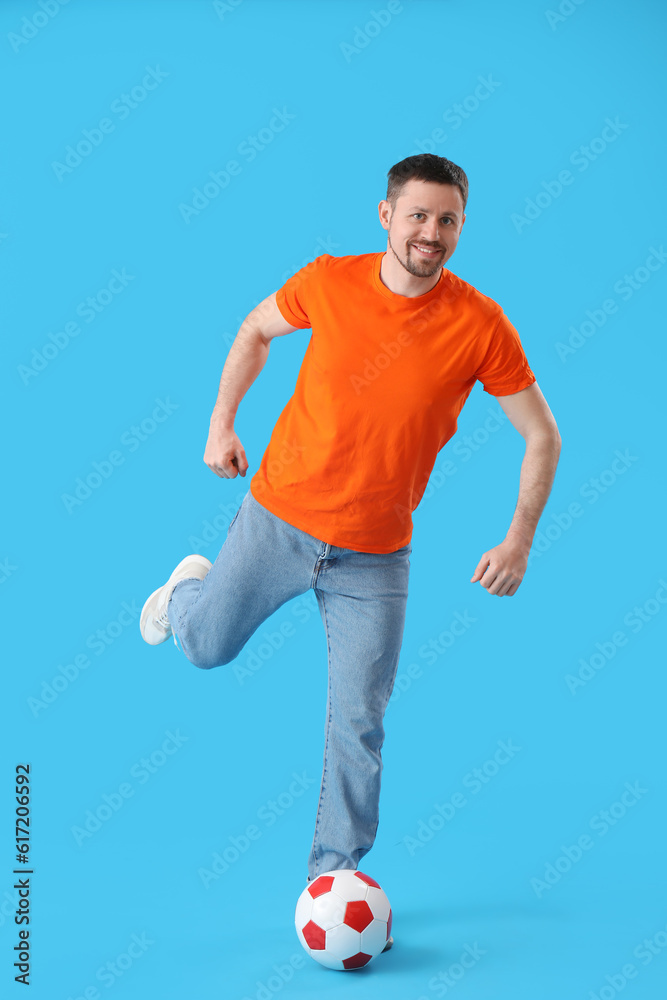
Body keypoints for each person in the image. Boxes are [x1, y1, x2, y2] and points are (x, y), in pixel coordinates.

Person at [140, 155, 561, 931]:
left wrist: (518, 542)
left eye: (447, 220)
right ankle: (187, 591)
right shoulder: (330, 281)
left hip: (375, 555)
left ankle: (332, 884)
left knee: (358, 718)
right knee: (202, 648)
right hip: (278, 516)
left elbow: (541, 434)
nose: (430, 234)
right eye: (417, 216)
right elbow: (255, 329)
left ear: (461, 226)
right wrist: (220, 424)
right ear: (385, 216)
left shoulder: (480, 324)